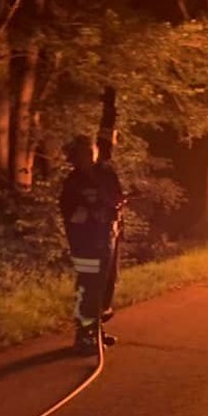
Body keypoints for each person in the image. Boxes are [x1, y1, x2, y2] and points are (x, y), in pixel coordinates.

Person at [59, 135, 125, 354]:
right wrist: (89, 212)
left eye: (91, 151)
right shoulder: (73, 183)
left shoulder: (106, 175)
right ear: (74, 157)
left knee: (107, 285)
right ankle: (84, 335)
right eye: (83, 153)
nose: (88, 156)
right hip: (85, 244)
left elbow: (118, 197)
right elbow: (70, 213)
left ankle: (97, 330)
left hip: (108, 238)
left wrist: (113, 209)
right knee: (88, 287)